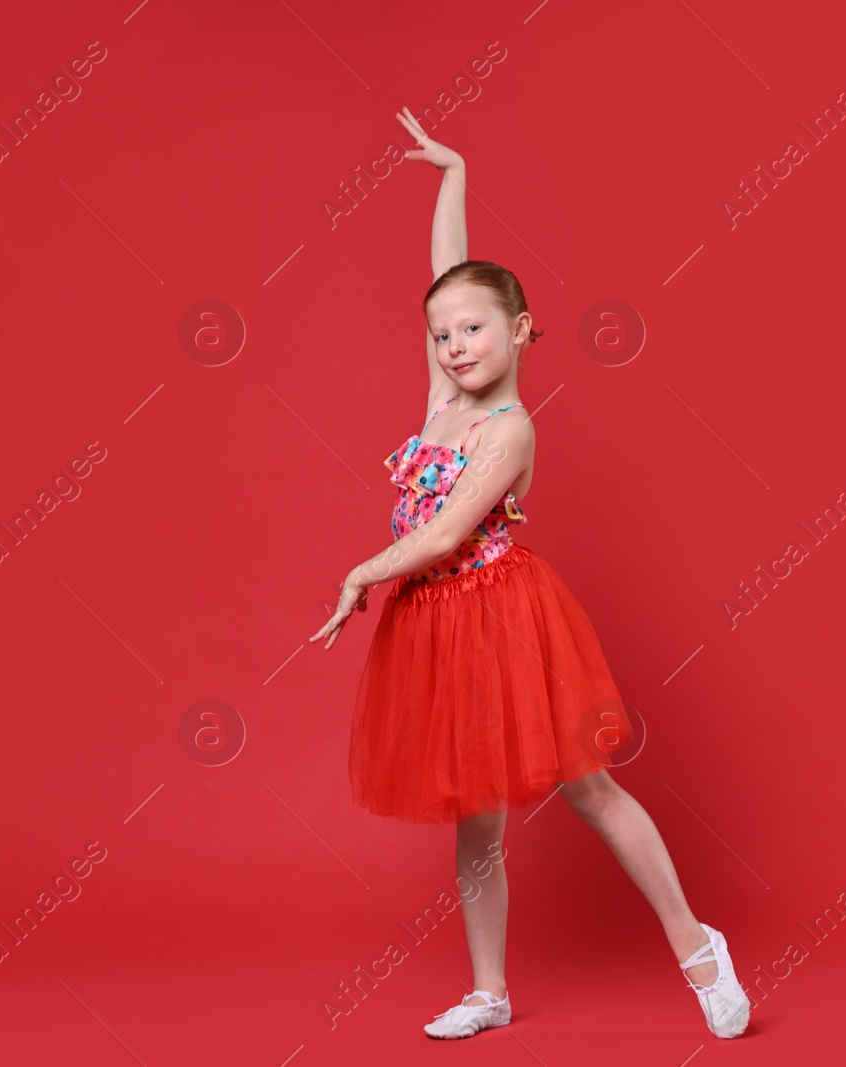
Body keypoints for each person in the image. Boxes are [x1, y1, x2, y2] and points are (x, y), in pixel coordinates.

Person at [309, 107, 750, 1043]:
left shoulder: (509, 430)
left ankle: (697, 944)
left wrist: (360, 572)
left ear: (520, 329)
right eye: (440, 335)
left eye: (474, 328)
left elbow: (441, 537)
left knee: (588, 785)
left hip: (506, 615)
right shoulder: (439, 397)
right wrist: (453, 174)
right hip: (435, 627)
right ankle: (490, 989)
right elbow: (446, 273)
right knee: (474, 815)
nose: (454, 344)